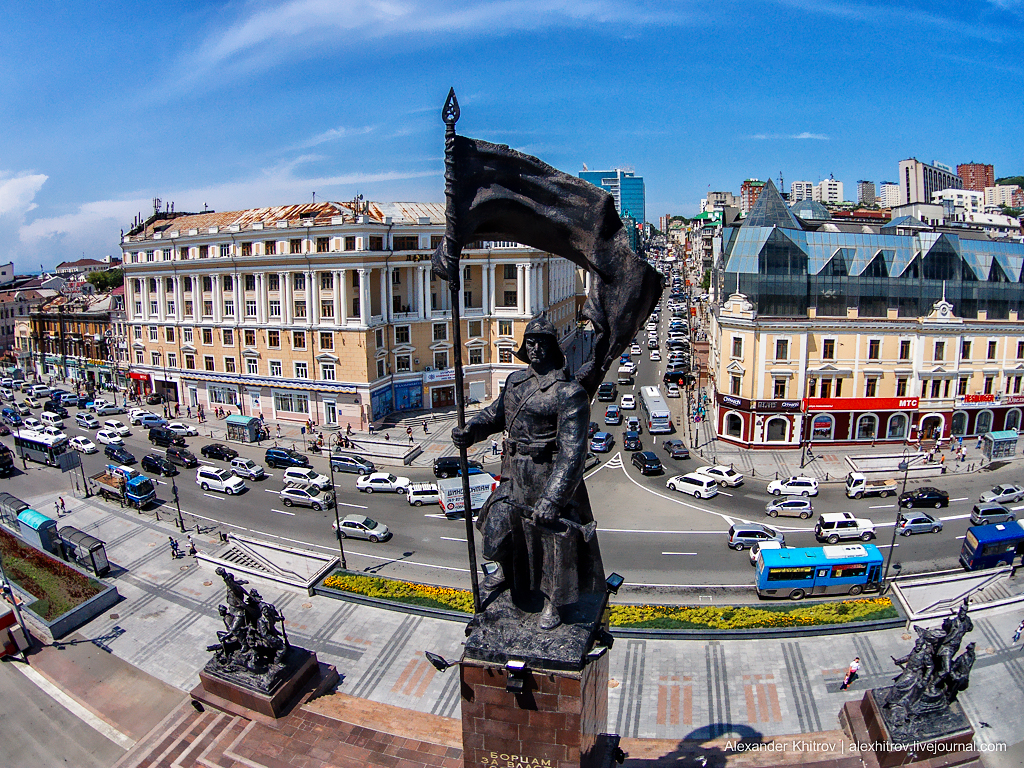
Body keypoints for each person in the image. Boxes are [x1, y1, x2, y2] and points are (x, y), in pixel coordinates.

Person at [451, 315, 603, 631]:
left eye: (541, 342)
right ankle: (506, 569)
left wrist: (553, 497)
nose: (535, 348)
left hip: (547, 476)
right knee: (495, 527)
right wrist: (471, 431)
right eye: (530, 342)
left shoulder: (568, 392)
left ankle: (552, 604)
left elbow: (573, 453)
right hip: (514, 475)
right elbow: (493, 416)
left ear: (553, 347)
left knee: (552, 544)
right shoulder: (515, 383)